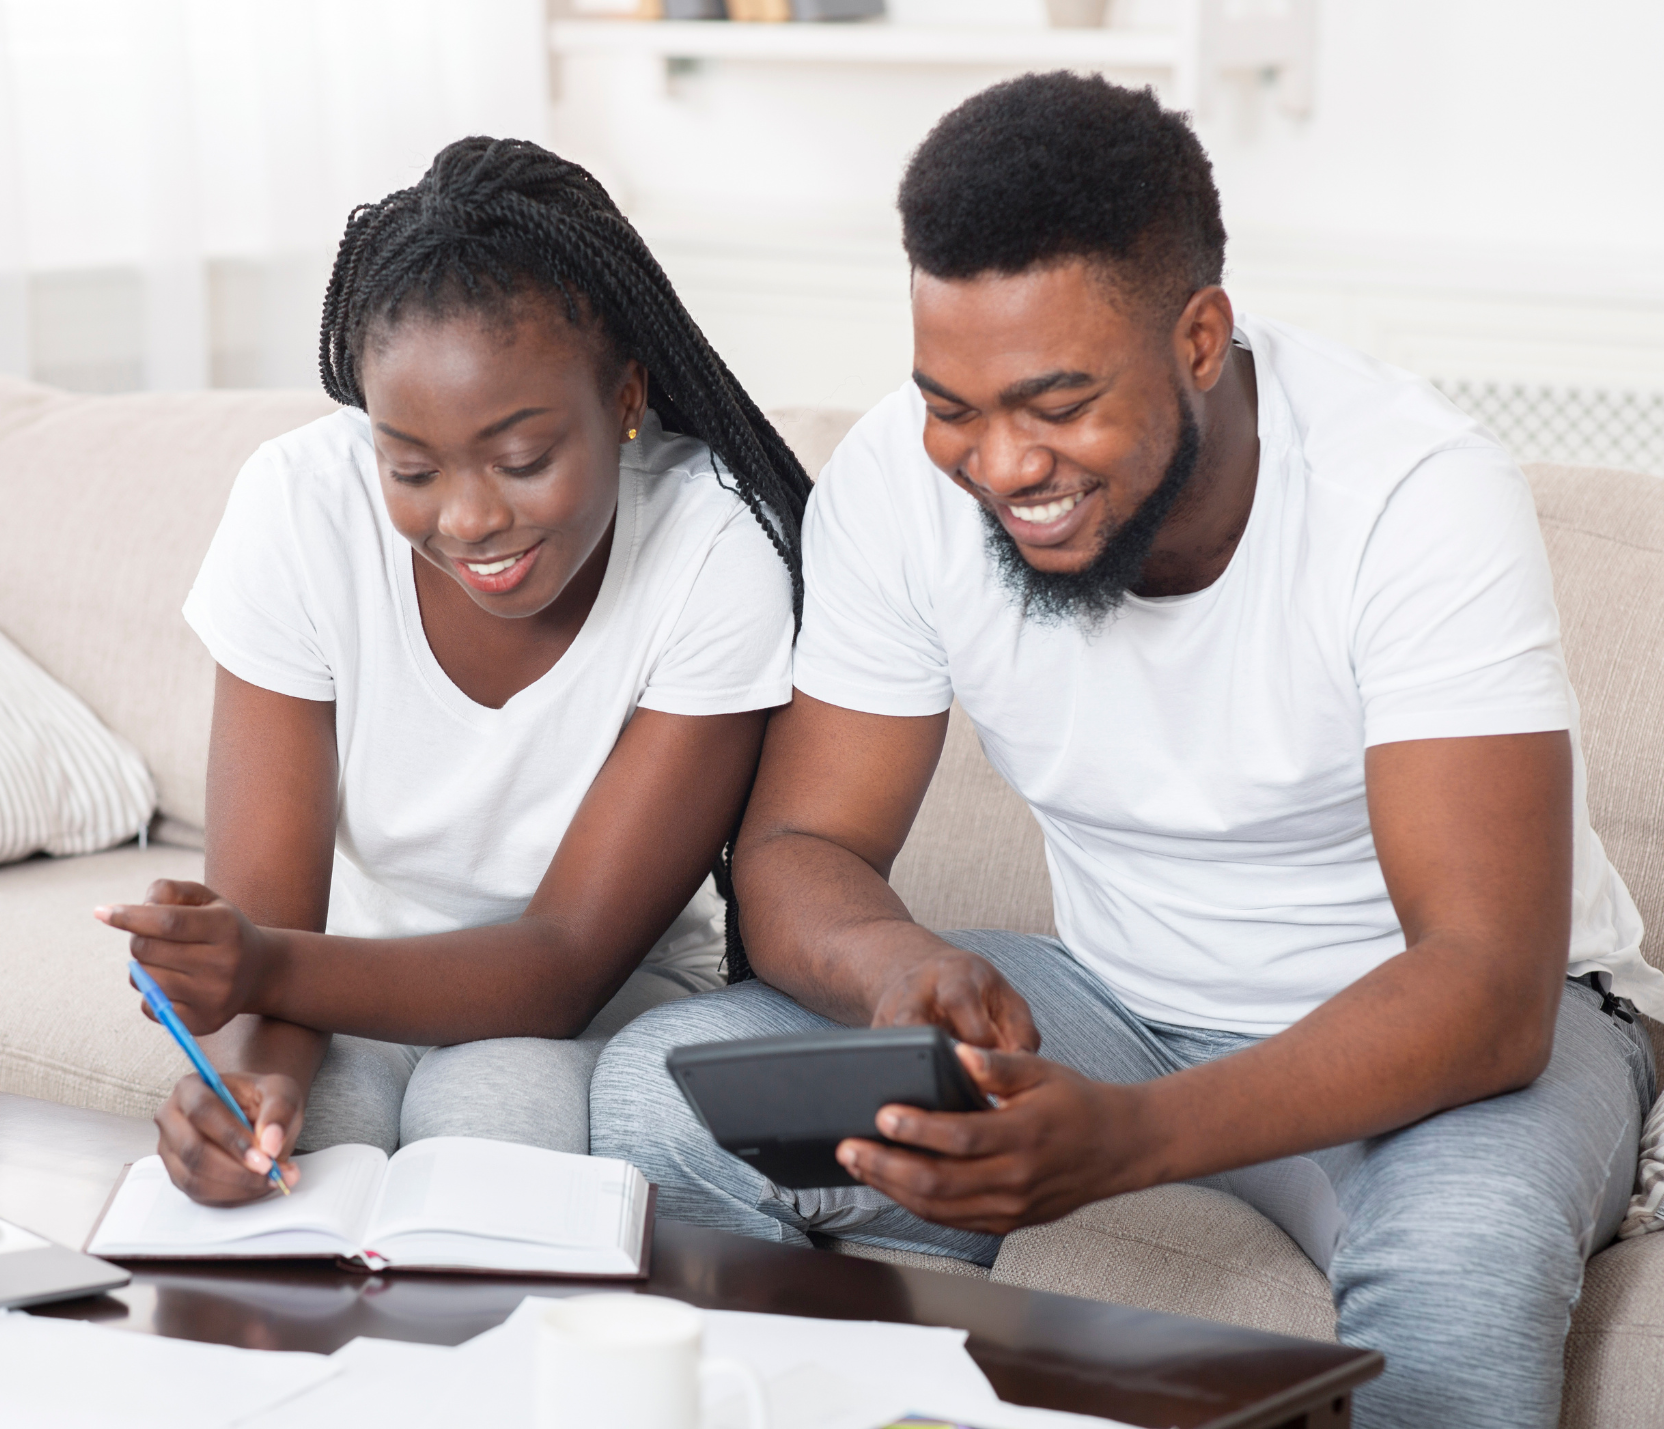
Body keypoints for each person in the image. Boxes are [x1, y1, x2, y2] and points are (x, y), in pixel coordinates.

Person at [591, 73, 1663, 1429]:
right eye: (953, 404)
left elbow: (1487, 983)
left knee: (1462, 1263)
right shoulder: (896, 484)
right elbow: (806, 846)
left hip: (1451, 1043)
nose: (998, 463)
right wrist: (894, 966)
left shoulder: (1412, 497)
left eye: (1055, 402)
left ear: (1202, 338)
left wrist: (1132, 1141)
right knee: (661, 1094)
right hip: (1119, 999)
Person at [96, 136, 810, 1207]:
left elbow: (563, 962)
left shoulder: (716, 548)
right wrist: (250, 1082)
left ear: (625, 395)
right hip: (337, 987)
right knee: (284, 1168)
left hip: (594, 997)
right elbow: (270, 917)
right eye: (411, 469)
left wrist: (260, 964)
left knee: (486, 1116)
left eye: (523, 460)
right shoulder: (298, 507)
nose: (470, 519)